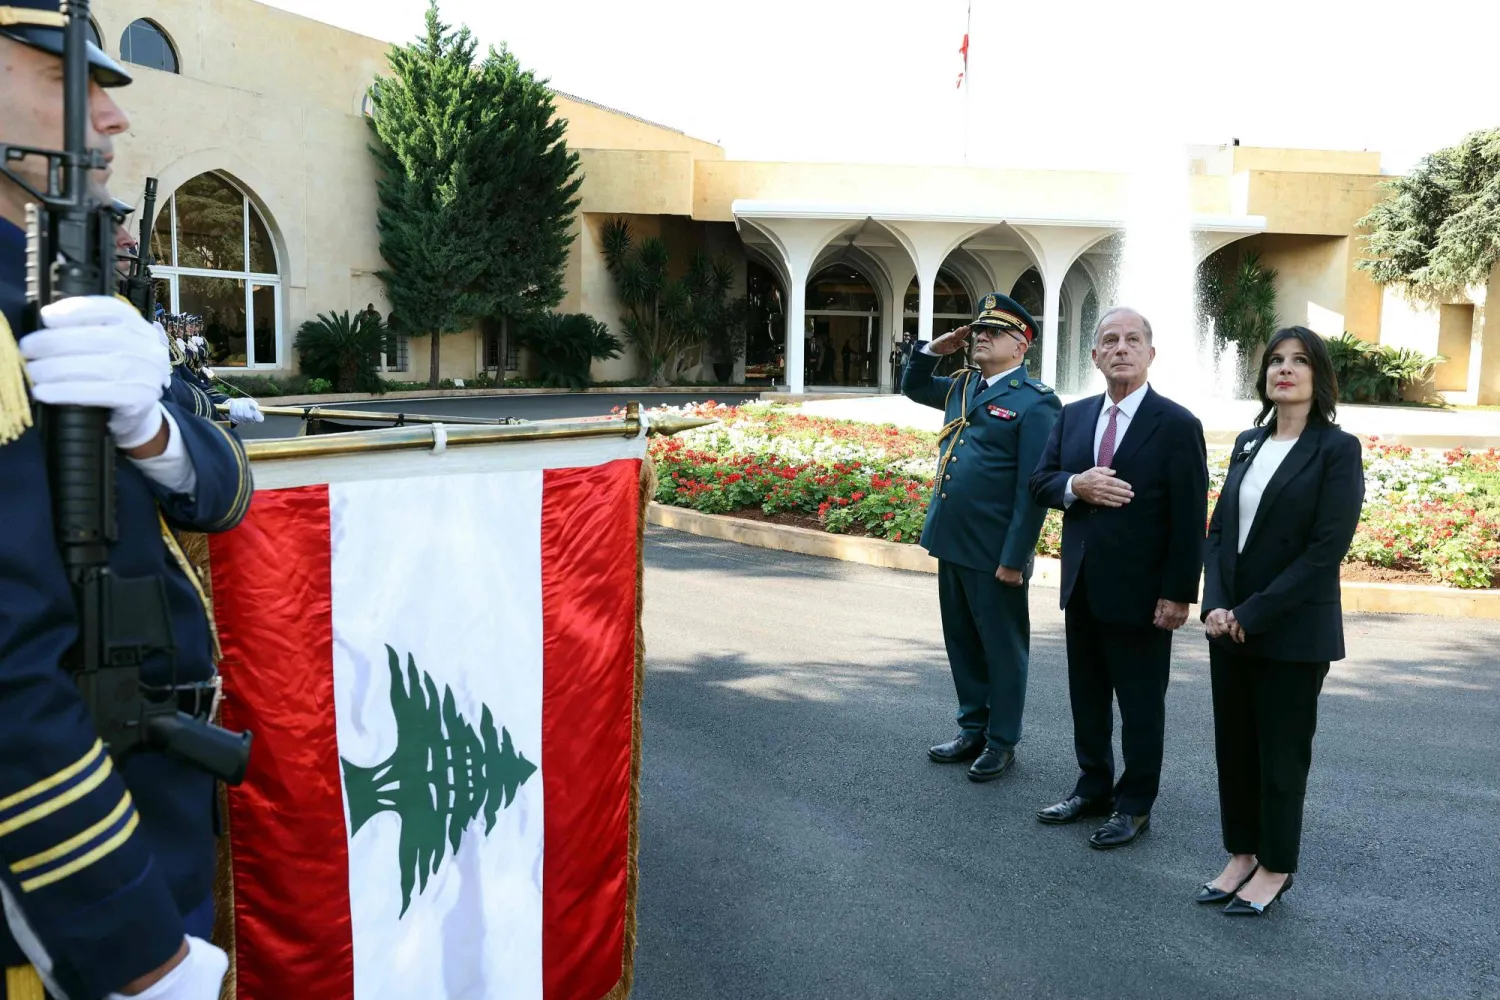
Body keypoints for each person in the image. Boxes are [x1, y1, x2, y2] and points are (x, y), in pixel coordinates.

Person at [0, 3, 251, 997]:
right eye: (70, 82)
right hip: (62, 894)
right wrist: (131, 946)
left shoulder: (67, 277)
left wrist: (149, 423)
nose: (109, 119)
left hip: (152, 826)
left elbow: (222, 488)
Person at [1196, 327, 1363, 916]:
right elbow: (1218, 533)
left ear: (1318, 376)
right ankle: (1240, 853)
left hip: (1290, 632)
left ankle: (1275, 865)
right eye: (1274, 360)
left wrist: (1253, 612)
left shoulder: (1336, 449)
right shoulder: (1247, 442)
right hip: (1230, 627)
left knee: (1281, 753)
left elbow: (1326, 549)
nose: (1284, 370)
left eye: (1298, 361)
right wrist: (1216, 604)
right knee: (1234, 748)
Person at [1029, 306, 1208, 848]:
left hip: (1143, 597)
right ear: (1095, 356)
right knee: (1087, 697)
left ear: (1151, 354)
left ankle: (1134, 804)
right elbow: (1040, 481)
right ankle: (1092, 787)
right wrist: (1074, 486)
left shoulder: (1177, 425)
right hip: (1082, 586)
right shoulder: (1075, 415)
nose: (1122, 348)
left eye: (1133, 340)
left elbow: (1189, 516)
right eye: (1110, 340)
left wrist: (1179, 594)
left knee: (1139, 706)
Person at [904, 293, 1061, 781]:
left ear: (1020, 346)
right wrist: (932, 349)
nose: (980, 337)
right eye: (978, 330)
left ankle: (1002, 740)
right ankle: (972, 726)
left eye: (993, 332)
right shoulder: (963, 385)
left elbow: (1031, 491)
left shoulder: (1035, 403)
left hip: (995, 550)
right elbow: (912, 386)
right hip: (952, 539)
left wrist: (1015, 558)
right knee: (962, 642)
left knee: (1002, 646)